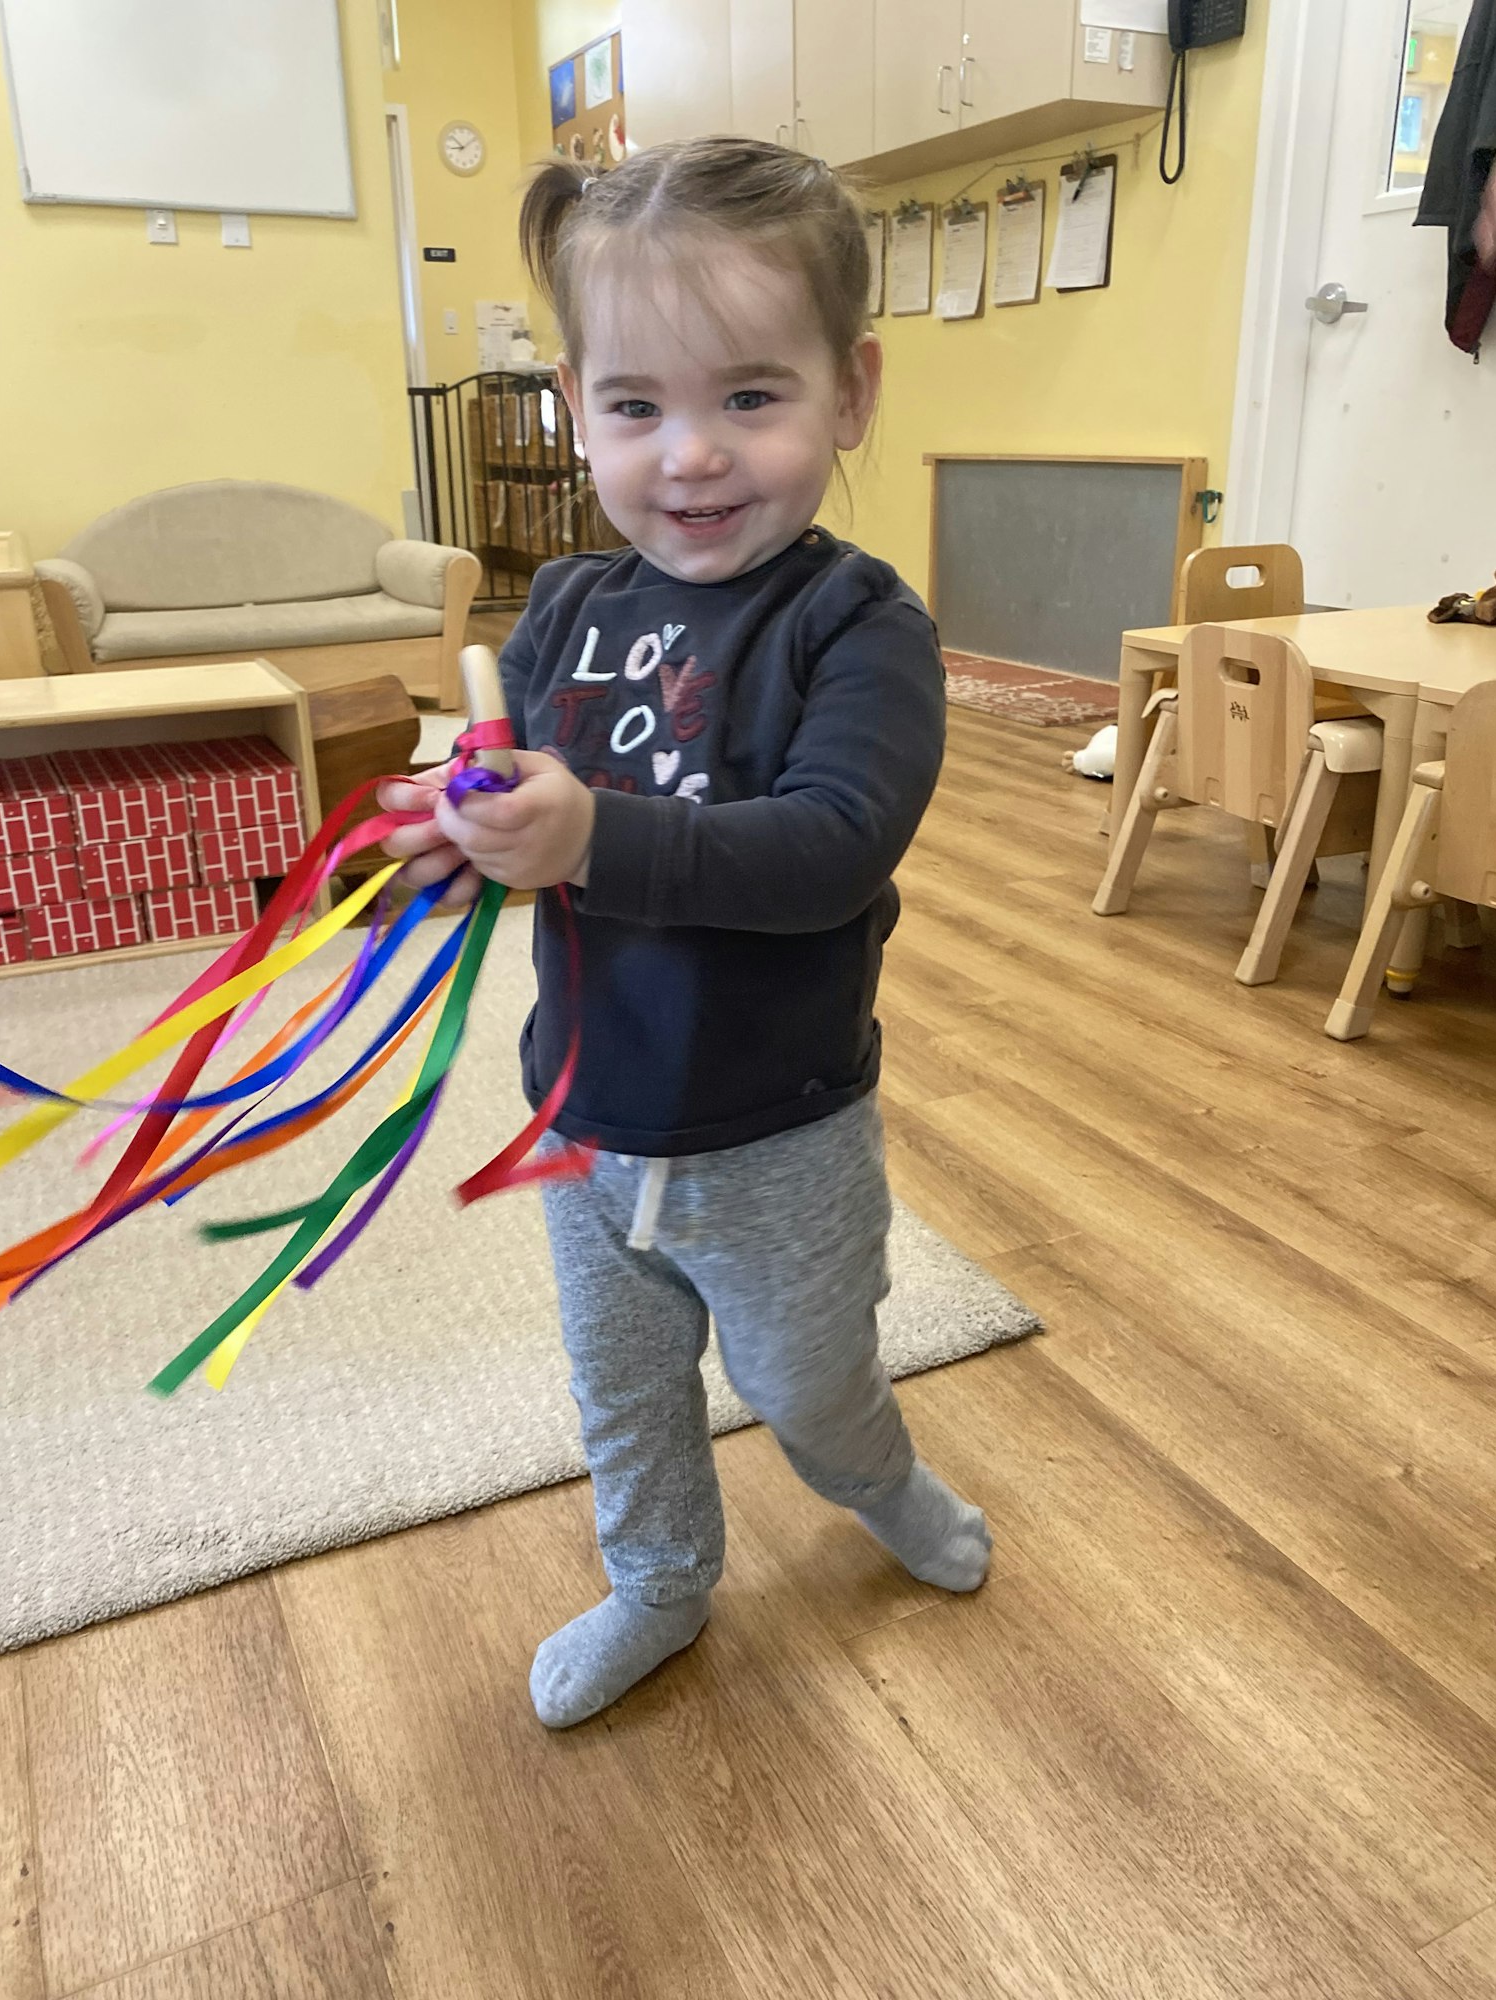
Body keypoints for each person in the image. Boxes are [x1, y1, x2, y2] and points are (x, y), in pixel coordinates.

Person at [378, 138, 990, 1730]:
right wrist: (461, 843)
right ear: (577, 404)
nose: (693, 456)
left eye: (751, 398)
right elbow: (521, 824)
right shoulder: (565, 610)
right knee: (626, 1395)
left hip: (777, 1135)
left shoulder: (858, 625)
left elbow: (830, 851)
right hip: (587, 1121)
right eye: (638, 407)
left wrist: (590, 832)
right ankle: (658, 1581)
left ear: (850, 393)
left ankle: (882, 1482)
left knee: (805, 1391)